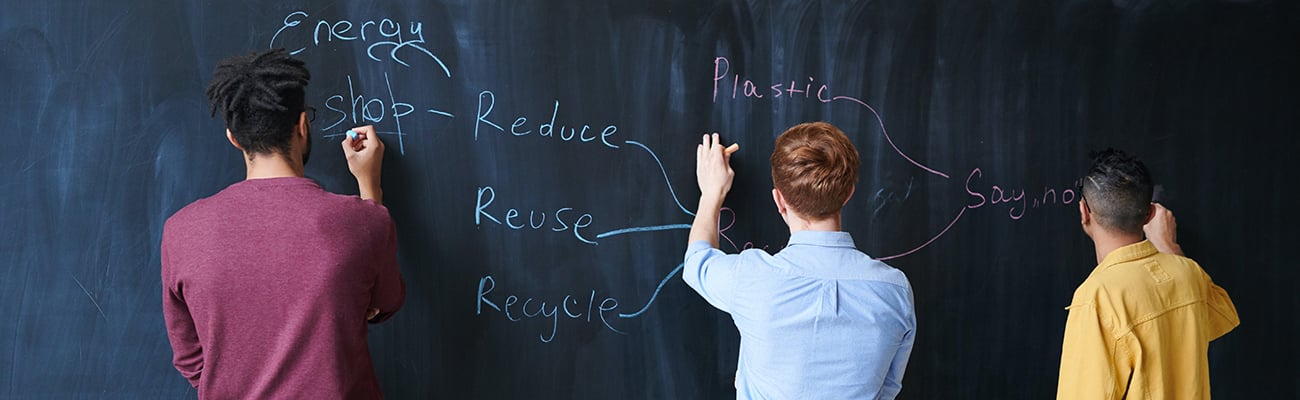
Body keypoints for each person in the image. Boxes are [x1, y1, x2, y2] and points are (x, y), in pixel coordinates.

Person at [161, 48, 405, 399]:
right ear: (303, 126)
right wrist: (370, 188)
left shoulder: (181, 230)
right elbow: (387, 302)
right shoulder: (362, 221)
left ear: (233, 137)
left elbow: (190, 359)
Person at [684, 122, 916, 399]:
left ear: (779, 200)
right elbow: (889, 387)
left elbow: (698, 260)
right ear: (849, 194)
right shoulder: (895, 290)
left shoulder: (750, 278)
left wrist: (712, 193)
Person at [1058, 149, 1239, 399]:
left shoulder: (1096, 299)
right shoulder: (1188, 273)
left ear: (1084, 211)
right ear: (1151, 214)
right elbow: (1221, 317)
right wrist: (1170, 246)